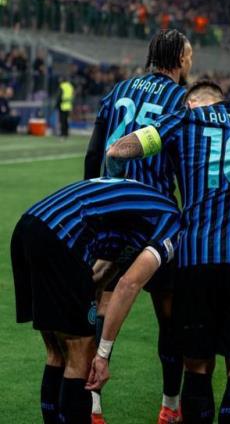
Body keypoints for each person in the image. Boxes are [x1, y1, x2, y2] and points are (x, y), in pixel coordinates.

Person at [99, 80, 230, 424]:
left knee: (197, 366)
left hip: (196, 258)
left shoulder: (184, 120)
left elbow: (119, 150)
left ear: (191, 103)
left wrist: (116, 187)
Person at [84, 29, 192, 424]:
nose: (190, 61)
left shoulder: (119, 90)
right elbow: (184, 161)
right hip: (154, 213)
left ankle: (92, 406)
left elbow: (94, 151)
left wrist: (92, 202)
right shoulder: (180, 100)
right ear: (179, 59)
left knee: (103, 303)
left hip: (112, 209)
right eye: (189, 55)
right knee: (168, 314)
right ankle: (170, 405)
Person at [11, 178, 180, 424]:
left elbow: (102, 273)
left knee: (57, 352)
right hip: (61, 237)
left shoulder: (143, 212)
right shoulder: (173, 223)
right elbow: (128, 284)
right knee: (81, 352)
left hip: (30, 226)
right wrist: (102, 354)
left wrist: (85, 300)